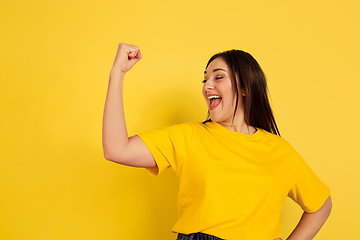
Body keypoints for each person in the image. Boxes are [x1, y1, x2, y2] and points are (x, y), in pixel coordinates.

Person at [102, 43, 332, 240]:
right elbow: (116, 149)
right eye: (204, 80)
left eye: (218, 77)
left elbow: (321, 205)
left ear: (244, 88)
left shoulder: (279, 150)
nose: (206, 86)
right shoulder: (189, 136)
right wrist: (117, 73)